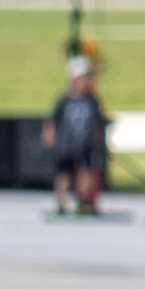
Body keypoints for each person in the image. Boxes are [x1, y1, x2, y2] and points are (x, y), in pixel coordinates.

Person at [45, 49, 109, 216]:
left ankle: (83, 201)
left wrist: (99, 139)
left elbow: (98, 122)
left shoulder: (92, 100)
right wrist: (50, 136)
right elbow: (53, 120)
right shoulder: (64, 99)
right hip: (67, 143)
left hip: (86, 143)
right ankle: (61, 200)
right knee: (64, 174)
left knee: (86, 172)